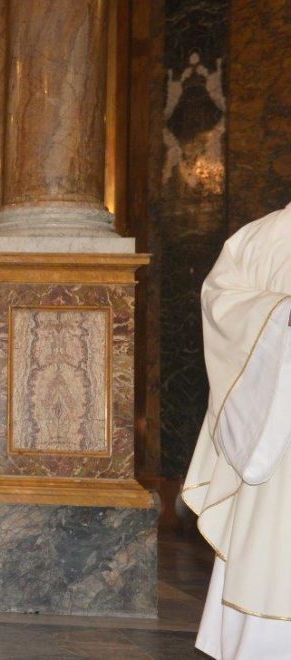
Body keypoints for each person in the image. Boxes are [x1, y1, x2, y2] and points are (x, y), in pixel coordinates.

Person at [183, 202, 291, 659]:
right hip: (278, 436)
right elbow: (219, 301)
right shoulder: (262, 238)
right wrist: (280, 315)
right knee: (270, 548)